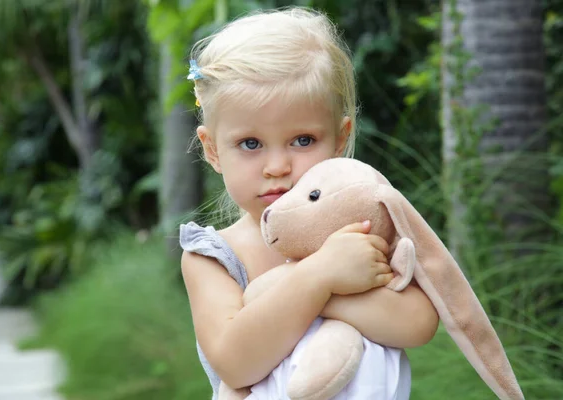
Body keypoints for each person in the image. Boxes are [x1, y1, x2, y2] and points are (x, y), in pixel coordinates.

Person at [179, 7, 439, 400]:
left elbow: (418, 323)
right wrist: (321, 276)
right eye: (250, 144)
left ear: (339, 137)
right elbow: (234, 361)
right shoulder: (214, 257)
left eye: (302, 140)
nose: (278, 167)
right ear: (213, 150)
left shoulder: (362, 230)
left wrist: (322, 286)